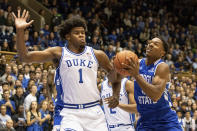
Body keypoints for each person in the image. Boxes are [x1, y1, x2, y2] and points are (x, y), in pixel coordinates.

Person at [12, 9, 121, 131]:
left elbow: (115, 78)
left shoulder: (98, 54)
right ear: (68, 36)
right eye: (77, 33)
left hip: (94, 112)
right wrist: (20, 31)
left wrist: (116, 95)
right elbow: (24, 57)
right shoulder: (58, 53)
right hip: (70, 113)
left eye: (83, 32)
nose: (81, 35)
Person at [123, 37, 183, 130]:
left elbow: (155, 96)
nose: (150, 44)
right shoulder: (137, 63)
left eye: (155, 44)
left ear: (162, 53)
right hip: (145, 121)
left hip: (165, 120)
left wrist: (136, 75)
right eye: (150, 43)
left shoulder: (162, 67)